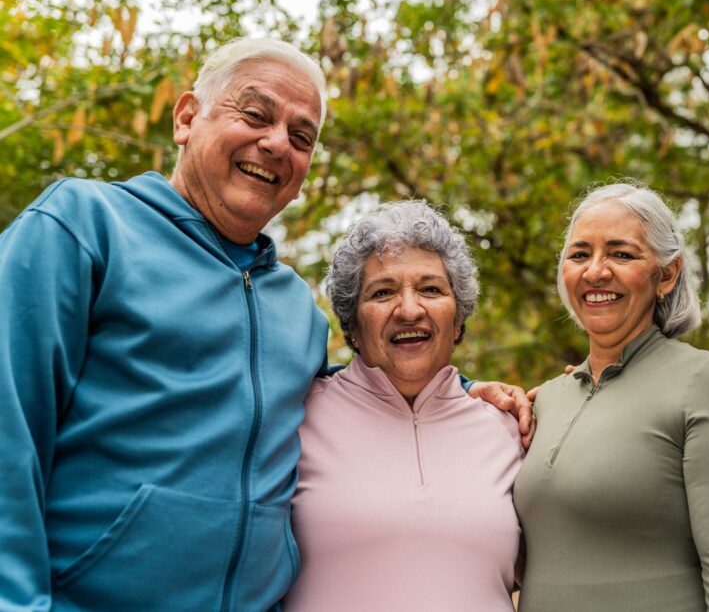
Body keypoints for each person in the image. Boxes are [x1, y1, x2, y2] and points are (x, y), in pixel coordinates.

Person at [0, 38, 530, 611]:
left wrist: (466, 392)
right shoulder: (84, 228)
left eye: (301, 137)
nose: (276, 143)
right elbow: (9, 425)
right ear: (186, 117)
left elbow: (360, 388)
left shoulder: (296, 310)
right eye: (254, 114)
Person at [514, 183, 709, 611]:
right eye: (580, 254)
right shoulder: (546, 400)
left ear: (667, 273)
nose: (596, 272)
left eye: (621, 254)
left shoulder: (705, 381)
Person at [284, 200, 522, 611]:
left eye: (430, 289)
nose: (409, 310)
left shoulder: (511, 427)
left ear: (459, 318)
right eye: (383, 292)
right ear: (353, 326)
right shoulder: (293, 418)